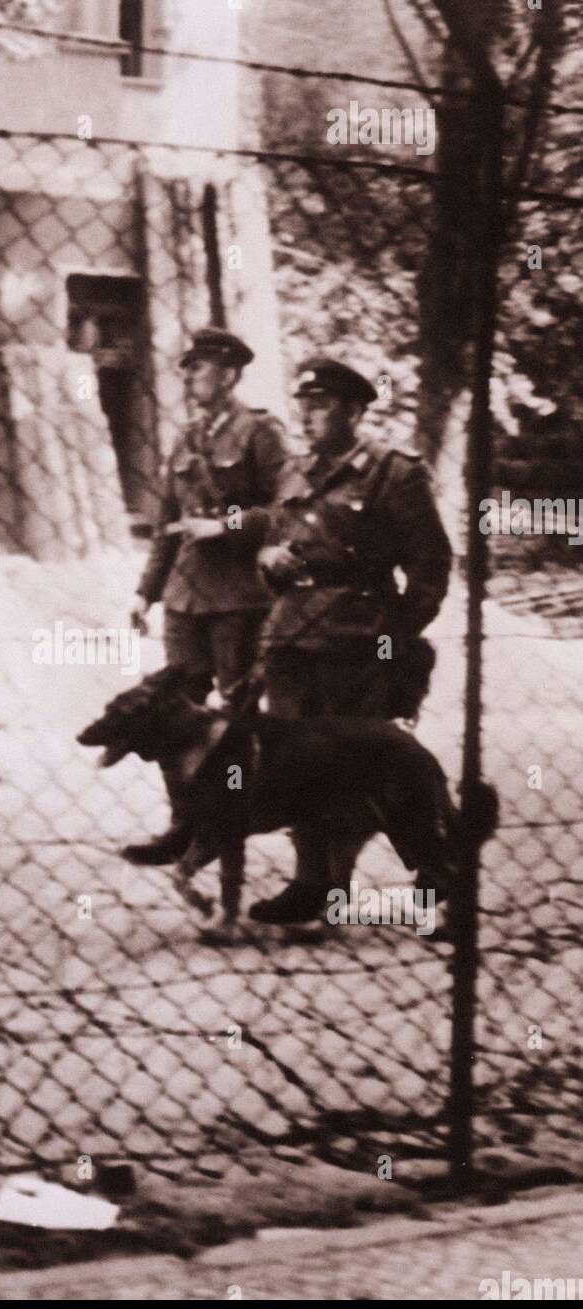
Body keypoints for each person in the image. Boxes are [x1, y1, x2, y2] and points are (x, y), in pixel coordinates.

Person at [252, 356, 453, 924]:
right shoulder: (292, 473)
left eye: (322, 405)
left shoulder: (393, 473)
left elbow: (431, 565)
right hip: (291, 643)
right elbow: (271, 551)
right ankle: (313, 883)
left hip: (358, 647)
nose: (308, 415)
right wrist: (270, 559)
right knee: (295, 769)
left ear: (355, 410)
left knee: (370, 775)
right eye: (304, 404)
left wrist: (394, 636)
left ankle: (438, 876)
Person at [126, 326, 286, 863]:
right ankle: (185, 823)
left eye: (199, 367)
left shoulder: (261, 432)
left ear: (230, 373)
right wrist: (145, 593)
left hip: (238, 598)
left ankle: (229, 821)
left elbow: (289, 509)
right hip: (184, 600)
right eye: (188, 367)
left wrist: (228, 525)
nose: (189, 375)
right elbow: (166, 524)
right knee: (175, 714)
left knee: (234, 719)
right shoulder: (185, 437)